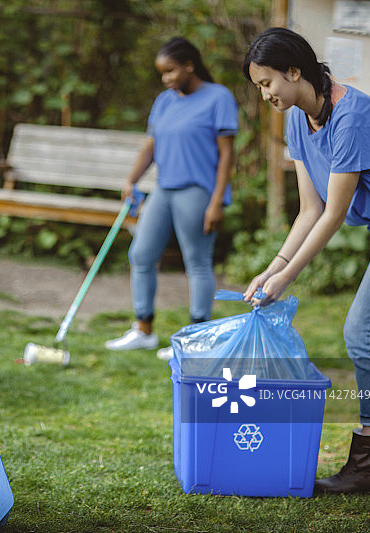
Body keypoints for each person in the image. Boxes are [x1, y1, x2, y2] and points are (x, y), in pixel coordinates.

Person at [242, 27, 370, 494]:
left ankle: (369, 458)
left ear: (295, 71)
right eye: (259, 86)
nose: (265, 93)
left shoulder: (352, 115)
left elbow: (333, 214)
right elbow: (308, 210)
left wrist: (288, 277)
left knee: (363, 330)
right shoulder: (297, 118)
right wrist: (274, 267)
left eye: (268, 82)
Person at [105, 37, 238, 360]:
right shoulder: (165, 101)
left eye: (171, 71)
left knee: (197, 263)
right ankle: (144, 330)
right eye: (162, 73)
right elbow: (151, 145)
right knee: (141, 254)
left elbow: (226, 155)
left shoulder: (218, 98)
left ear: (189, 66)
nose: (166, 79)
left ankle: (197, 340)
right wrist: (131, 179)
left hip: (198, 191)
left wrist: (217, 200)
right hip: (164, 189)